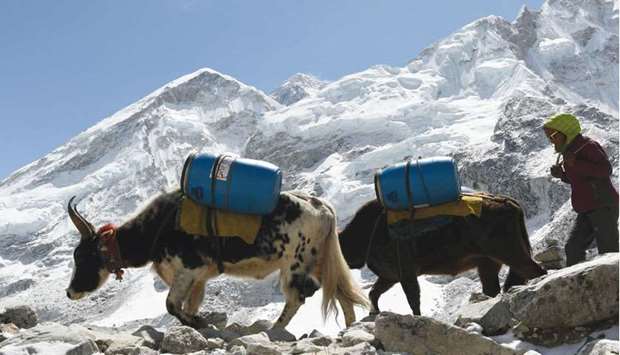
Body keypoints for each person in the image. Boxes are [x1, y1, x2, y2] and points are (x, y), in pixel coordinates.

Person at [543, 113, 619, 266]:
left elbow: (605, 170)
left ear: (566, 131)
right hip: (586, 209)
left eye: (553, 136)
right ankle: (580, 285)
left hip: (603, 205)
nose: (551, 141)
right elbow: (578, 180)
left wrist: (576, 164)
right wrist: (562, 175)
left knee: (609, 251)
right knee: (573, 248)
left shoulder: (588, 146)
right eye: (549, 138)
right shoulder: (569, 151)